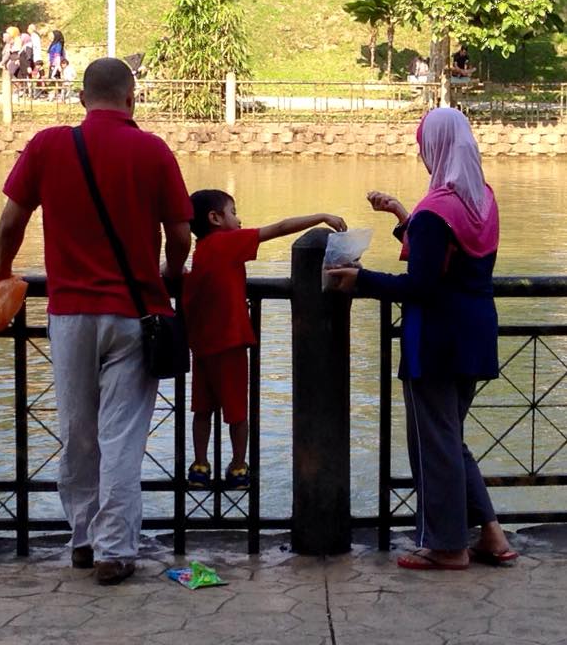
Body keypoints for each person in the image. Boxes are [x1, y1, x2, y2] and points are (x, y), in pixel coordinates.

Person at [0, 58, 192, 585]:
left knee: (78, 431)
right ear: (131, 98)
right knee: (122, 436)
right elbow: (181, 234)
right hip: (135, 314)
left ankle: (83, 540)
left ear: (81, 99)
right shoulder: (153, 150)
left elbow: (12, 219)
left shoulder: (48, 145)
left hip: (69, 313)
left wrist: (0, 268)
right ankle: (114, 551)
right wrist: (168, 273)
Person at [327, 107, 517, 571]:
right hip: (475, 333)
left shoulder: (436, 210)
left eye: (422, 145)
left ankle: (447, 546)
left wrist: (361, 278)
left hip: (434, 340)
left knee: (433, 444)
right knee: (449, 436)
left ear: (436, 147)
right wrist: (401, 214)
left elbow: (422, 285)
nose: (420, 153)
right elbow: (447, 260)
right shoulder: (482, 200)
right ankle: (491, 533)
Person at [183, 189, 347, 489]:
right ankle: (238, 466)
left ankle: (200, 465)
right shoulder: (227, 242)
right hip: (230, 343)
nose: (239, 219)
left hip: (202, 346)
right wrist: (321, 217)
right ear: (215, 218)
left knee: (202, 410)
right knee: (237, 411)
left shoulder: (201, 250)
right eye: (233, 212)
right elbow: (279, 228)